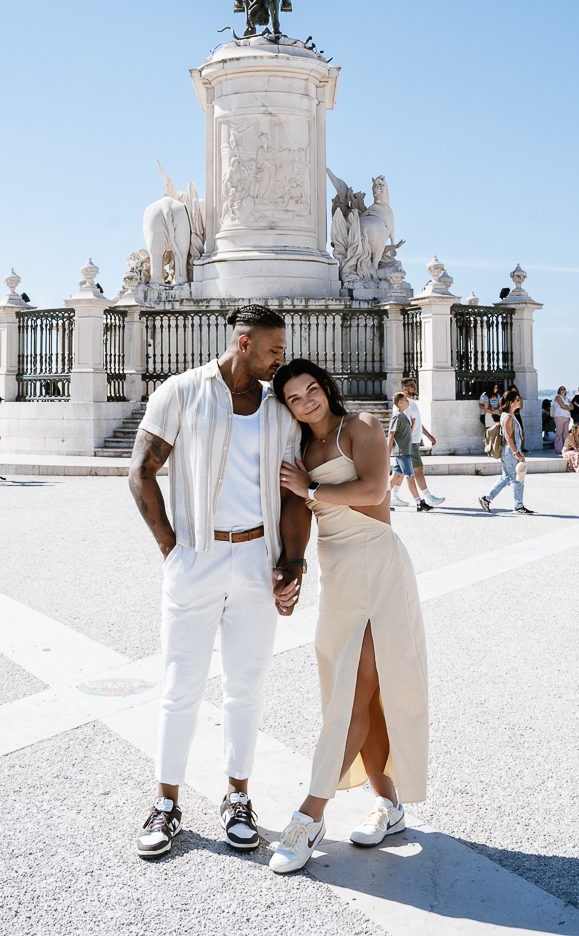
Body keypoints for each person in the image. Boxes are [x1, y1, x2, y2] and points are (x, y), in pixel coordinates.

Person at [128, 305, 305, 861]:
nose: (282, 360)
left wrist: (293, 562)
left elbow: (295, 492)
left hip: (257, 558)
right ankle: (165, 802)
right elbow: (140, 470)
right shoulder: (180, 392)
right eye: (275, 351)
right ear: (244, 343)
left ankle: (238, 797)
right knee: (180, 686)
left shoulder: (281, 411)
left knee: (245, 688)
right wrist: (170, 549)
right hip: (196, 559)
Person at [268, 360, 428, 873]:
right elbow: (296, 516)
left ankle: (310, 812)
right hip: (338, 574)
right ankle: (388, 803)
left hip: (378, 563)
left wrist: (309, 491)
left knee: (356, 689)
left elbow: (374, 492)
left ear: (325, 388)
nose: (307, 400)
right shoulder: (299, 448)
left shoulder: (360, 425)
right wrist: (291, 569)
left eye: (312, 389)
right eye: (295, 397)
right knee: (363, 690)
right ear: (288, 406)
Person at [478, 389, 532, 514]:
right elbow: (508, 437)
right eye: (518, 399)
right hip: (510, 452)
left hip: (510, 451)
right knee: (518, 479)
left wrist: (518, 451)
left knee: (506, 478)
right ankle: (518, 506)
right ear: (512, 402)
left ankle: (486, 498)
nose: (520, 401)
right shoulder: (507, 416)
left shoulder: (510, 415)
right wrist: (516, 453)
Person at [401, 377, 445, 511]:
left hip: (414, 441)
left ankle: (393, 497)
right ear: (404, 388)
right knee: (417, 469)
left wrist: (428, 435)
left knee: (399, 473)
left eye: (415, 385)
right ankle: (428, 496)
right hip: (409, 442)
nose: (415, 387)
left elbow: (418, 423)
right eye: (411, 386)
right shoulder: (403, 404)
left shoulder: (412, 403)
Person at [387, 392, 414, 509]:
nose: (408, 402)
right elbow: (391, 434)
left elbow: (406, 434)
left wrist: (413, 425)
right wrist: (387, 452)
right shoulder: (397, 415)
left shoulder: (403, 415)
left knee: (397, 475)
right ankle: (420, 502)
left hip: (405, 450)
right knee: (410, 475)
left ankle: (384, 499)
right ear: (399, 403)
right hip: (402, 451)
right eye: (406, 400)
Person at [551, 387, 573, 453]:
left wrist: (567, 406)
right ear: (559, 390)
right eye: (561, 389)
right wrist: (568, 407)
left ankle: (566, 447)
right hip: (559, 416)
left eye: (564, 389)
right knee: (559, 433)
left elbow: (572, 407)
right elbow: (562, 406)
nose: (563, 390)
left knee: (566, 433)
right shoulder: (557, 397)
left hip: (567, 417)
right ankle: (558, 449)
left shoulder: (567, 398)